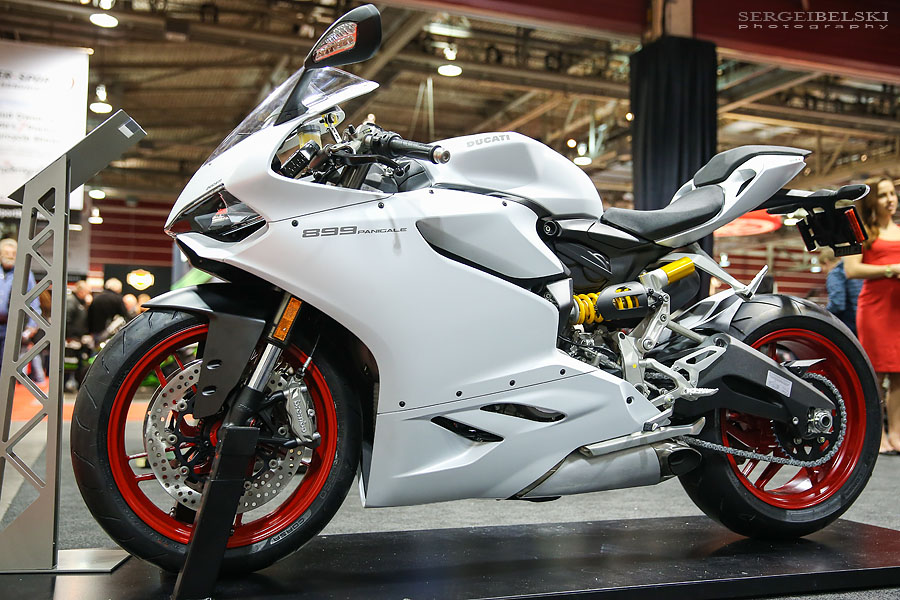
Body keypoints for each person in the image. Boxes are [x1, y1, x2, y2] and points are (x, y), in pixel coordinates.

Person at [844, 177, 900, 454]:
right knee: (875, 374)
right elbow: (852, 270)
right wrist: (891, 269)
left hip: (898, 310)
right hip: (876, 309)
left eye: (892, 193)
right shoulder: (862, 230)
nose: (891, 199)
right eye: (883, 195)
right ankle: (876, 435)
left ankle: (897, 435)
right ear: (873, 201)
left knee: (899, 374)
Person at [0, 238, 44, 382]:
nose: (10, 256)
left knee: (5, 368)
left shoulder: (24, 273)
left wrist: (33, 325)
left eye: (14, 253)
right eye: (6, 253)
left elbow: (33, 301)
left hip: (11, 328)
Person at [821, 247, 863, 336]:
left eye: (822, 266)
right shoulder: (854, 269)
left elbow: (837, 304)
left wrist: (822, 314)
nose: (823, 270)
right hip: (863, 318)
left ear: (826, 262)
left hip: (850, 324)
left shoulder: (835, 273)